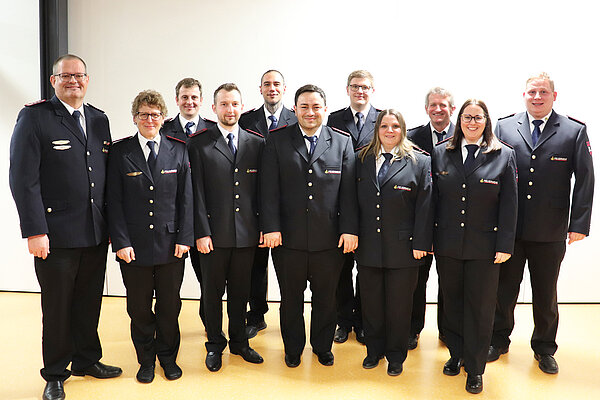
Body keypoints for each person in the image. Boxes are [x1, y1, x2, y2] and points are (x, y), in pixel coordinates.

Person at [9, 54, 121, 400]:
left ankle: (87, 359)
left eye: (79, 75)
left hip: (94, 231)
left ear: (88, 80)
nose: (74, 81)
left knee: (89, 302)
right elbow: (22, 178)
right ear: (53, 80)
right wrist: (34, 230)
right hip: (55, 234)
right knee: (57, 307)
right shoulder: (35, 118)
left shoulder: (99, 119)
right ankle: (56, 372)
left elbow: (105, 178)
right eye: (66, 76)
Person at [489, 73, 594, 374]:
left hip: (550, 230)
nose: (537, 97)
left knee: (545, 293)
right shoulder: (505, 127)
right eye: (532, 92)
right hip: (511, 229)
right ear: (524, 95)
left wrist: (579, 223)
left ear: (554, 96)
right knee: (504, 290)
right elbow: (493, 174)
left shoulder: (573, 131)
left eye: (543, 92)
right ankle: (498, 340)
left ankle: (545, 348)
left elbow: (586, 178)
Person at [261, 84, 358, 368]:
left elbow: (349, 193)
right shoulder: (277, 140)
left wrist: (349, 229)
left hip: (329, 241)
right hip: (287, 240)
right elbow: (269, 189)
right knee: (290, 299)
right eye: (304, 107)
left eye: (316, 107)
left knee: (326, 299)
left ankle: (322, 346)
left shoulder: (341, 141)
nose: (310, 112)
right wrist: (271, 227)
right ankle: (292, 348)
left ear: (325, 110)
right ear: (295, 109)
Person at [106, 90, 193, 383]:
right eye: (143, 114)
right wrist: (121, 242)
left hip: (171, 246)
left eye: (155, 115)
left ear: (163, 118)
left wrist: (185, 238)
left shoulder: (178, 149)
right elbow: (113, 202)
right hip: (134, 247)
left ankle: (168, 358)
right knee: (139, 308)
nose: (149, 119)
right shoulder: (120, 152)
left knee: (170, 306)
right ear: (134, 118)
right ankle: (145, 360)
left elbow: (186, 200)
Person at [432, 99, 517, 394]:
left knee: (480, 308)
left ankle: (476, 367)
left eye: (477, 117)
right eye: (467, 117)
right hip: (448, 245)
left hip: (485, 248)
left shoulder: (503, 154)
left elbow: (509, 205)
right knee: (452, 303)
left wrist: (505, 244)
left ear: (486, 121)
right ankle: (456, 354)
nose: (471, 123)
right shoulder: (442, 152)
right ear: (460, 120)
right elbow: (433, 202)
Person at [188, 83, 265, 372]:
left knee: (240, 293)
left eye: (234, 104)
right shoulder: (198, 143)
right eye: (224, 104)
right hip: (213, 236)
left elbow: (263, 191)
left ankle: (239, 343)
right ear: (214, 108)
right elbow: (194, 193)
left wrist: (262, 227)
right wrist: (201, 232)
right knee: (211, 293)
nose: (230, 110)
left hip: (246, 234)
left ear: (241, 107)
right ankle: (215, 345)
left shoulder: (256, 143)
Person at [356, 109, 433, 376]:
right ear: (377, 130)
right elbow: (352, 202)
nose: (390, 131)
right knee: (372, 303)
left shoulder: (419, 161)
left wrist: (421, 243)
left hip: (404, 248)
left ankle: (396, 355)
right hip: (368, 247)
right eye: (384, 126)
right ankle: (373, 351)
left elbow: (426, 206)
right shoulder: (361, 158)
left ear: (403, 130)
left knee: (400, 306)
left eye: (396, 127)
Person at [239, 70, 297, 338]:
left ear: (284, 88)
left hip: (287, 206)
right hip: (253, 203)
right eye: (267, 84)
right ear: (259, 89)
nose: (271, 88)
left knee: (288, 268)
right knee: (255, 267)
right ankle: (257, 315)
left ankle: (293, 317)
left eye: (276, 84)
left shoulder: (298, 118)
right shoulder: (246, 119)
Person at [327, 70, 380, 344]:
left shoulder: (383, 119)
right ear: (347, 89)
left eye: (366, 87)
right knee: (341, 269)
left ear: (373, 90)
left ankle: (362, 321)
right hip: (341, 202)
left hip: (373, 205)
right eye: (356, 87)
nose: (361, 91)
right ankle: (343, 320)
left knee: (367, 270)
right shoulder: (335, 119)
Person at [161, 78, 216, 328]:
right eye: (184, 97)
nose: (189, 102)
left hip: (206, 218)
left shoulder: (214, 130)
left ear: (201, 100)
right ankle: (169, 330)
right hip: (174, 218)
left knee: (209, 280)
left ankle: (210, 325)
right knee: (170, 282)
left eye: (194, 97)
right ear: (177, 100)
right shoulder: (163, 129)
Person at [406, 86, 456, 349]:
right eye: (433, 105)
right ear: (426, 109)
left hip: (451, 221)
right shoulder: (411, 136)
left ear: (452, 109)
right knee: (417, 279)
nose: (438, 109)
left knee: (449, 281)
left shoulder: (465, 135)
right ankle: (413, 328)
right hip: (421, 219)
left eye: (443, 105)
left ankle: (448, 331)